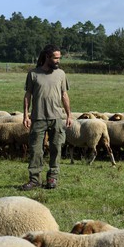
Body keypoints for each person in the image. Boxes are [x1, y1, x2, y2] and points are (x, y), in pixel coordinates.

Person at [20, 44, 72, 190]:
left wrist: (68, 115)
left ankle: (52, 178)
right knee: (36, 150)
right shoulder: (33, 74)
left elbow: (64, 95)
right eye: (55, 58)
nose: (58, 61)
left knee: (56, 148)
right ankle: (34, 179)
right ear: (47, 57)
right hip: (38, 118)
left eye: (59, 58)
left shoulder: (61, 74)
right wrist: (26, 114)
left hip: (56, 118)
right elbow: (28, 95)